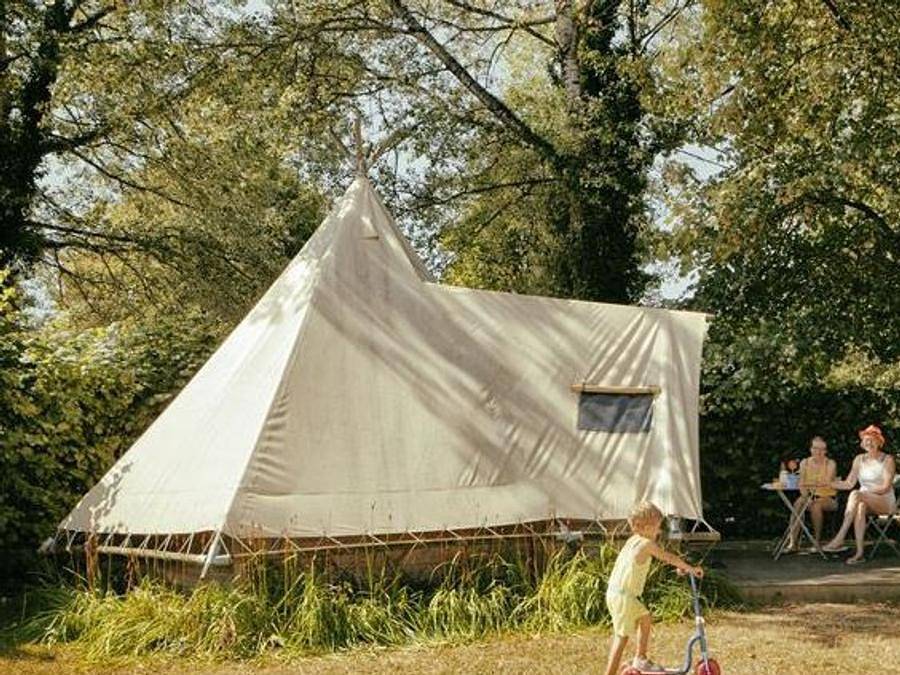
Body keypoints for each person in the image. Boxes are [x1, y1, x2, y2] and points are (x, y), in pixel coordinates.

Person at [603, 501, 704, 675]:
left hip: (618, 595)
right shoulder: (646, 544)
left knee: (645, 618)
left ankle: (640, 658)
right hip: (624, 597)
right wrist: (690, 568)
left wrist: (681, 568)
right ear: (644, 527)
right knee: (621, 638)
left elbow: (649, 560)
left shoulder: (632, 541)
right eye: (657, 527)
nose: (659, 531)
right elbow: (667, 557)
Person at [823, 425, 896, 564]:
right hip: (864, 499)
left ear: (880, 442)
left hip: (885, 501)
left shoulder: (888, 459)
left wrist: (865, 492)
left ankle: (840, 538)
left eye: (873, 440)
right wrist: (830, 483)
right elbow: (849, 483)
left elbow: (885, 487)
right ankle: (859, 553)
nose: (870, 443)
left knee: (857, 494)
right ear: (863, 443)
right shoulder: (859, 459)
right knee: (860, 505)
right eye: (867, 440)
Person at [784, 436, 837, 552]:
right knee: (798, 503)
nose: (818, 452)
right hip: (810, 496)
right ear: (811, 449)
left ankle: (816, 542)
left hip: (828, 498)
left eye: (821, 449)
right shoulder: (804, 462)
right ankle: (793, 543)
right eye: (815, 448)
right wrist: (806, 496)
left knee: (816, 505)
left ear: (826, 451)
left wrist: (809, 485)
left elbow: (825, 482)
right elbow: (801, 483)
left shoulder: (830, 463)